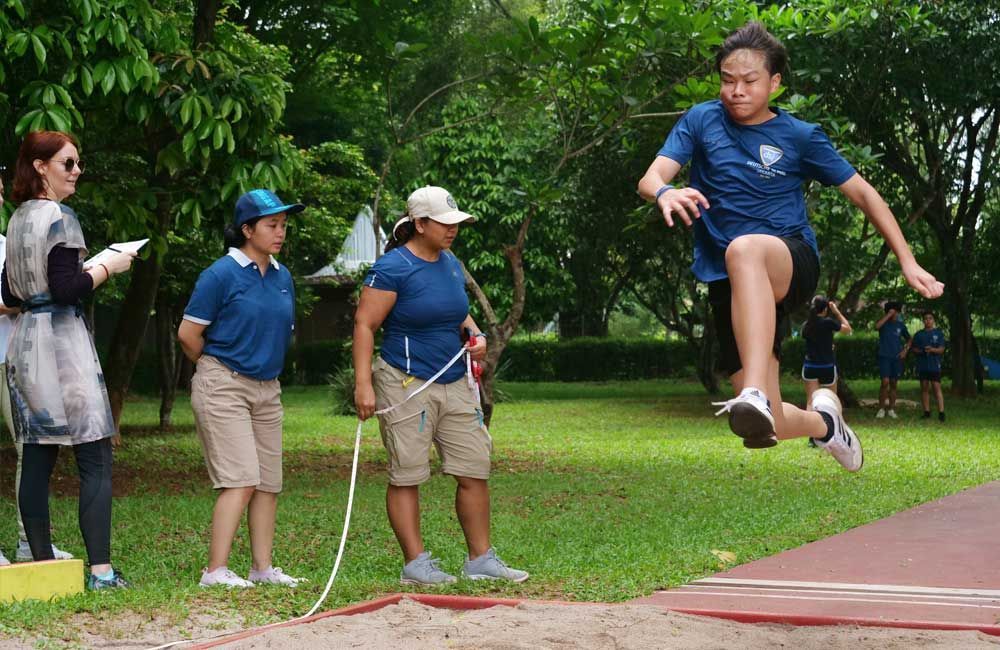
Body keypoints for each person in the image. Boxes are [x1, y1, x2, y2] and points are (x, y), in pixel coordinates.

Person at [636, 22, 943, 472]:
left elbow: (863, 193)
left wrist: (907, 260)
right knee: (765, 423)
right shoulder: (701, 120)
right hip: (730, 282)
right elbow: (650, 177)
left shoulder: (800, 136)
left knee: (744, 249)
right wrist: (665, 192)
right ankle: (826, 426)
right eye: (727, 80)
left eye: (749, 81)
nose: (735, 90)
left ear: (775, 83)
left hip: (789, 259)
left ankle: (755, 390)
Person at [353, 186, 528, 586]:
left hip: (454, 381)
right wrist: (364, 385)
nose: (453, 230)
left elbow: (457, 312)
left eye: (457, 224)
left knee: (474, 468)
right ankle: (415, 564)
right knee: (408, 473)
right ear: (419, 224)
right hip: (405, 382)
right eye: (445, 224)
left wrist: (475, 332)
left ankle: (480, 559)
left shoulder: (449, 262)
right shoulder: (392, 268)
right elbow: (364, 325)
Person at [1, 131, 135, 589]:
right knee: (94, 454)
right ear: (41, 167)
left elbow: (7, 293)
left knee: (36, 456)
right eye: (69, 163)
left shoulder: (17, 218)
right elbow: (66, 289)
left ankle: (42, 567)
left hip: (25, 343)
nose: (77, 171)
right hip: (62, 343)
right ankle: (100, 571)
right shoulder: (61, 217)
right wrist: (106, 267)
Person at [178, 189, 305, 589]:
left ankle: (262, 569)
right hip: (223, 385)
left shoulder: (283, 275)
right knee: (241, 478)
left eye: (284, 225)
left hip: (268, 389)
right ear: (247, 229)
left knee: (268, 481)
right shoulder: (220, 274)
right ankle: (214, 571)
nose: (280, 232)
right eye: (272, 225)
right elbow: (188, 335)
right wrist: (216, 370)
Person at [0, 175, 74, 566]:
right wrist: (39, 295)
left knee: (29, 448)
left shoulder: (9, 240)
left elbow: (12, 293)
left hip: (10, 356)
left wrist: (31, 296)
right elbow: (14, 295)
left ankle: (30, 542)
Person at [801, 295, 852, 409]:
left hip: (810, 366)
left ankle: (811, 426)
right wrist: (837, 312)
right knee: (832, 400)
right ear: (825, 309)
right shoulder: (828, 322)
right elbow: (848, 329)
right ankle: (834, 425)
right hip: (827, 366)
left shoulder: (806, 325)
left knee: (810, 401)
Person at [875, 302, 911, 418]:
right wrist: (887, 316)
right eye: (892, 312)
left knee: (894, 383)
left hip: (896, 358)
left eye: (895, 312)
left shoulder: (901, 325)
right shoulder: (884, 324)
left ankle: (891, 409)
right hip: (884, 356)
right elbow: (877, 326)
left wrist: (905, 350)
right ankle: (881, 408)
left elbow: (909, 339)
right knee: (885, 382)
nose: (895, 314)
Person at [911, 311, 946, 421]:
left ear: (933, 320)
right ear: (923, 321)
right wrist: (922, 351)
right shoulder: (919, 334)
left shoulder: (938, 333)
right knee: (924, 388)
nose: (928, 320)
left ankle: (941, 413)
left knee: (936, 388)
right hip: (923, 365)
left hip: (934, 365)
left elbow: (941, 349)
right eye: (926, 318)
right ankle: (926, 412)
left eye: (930, 318)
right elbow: (914, 348)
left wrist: (932, 350)